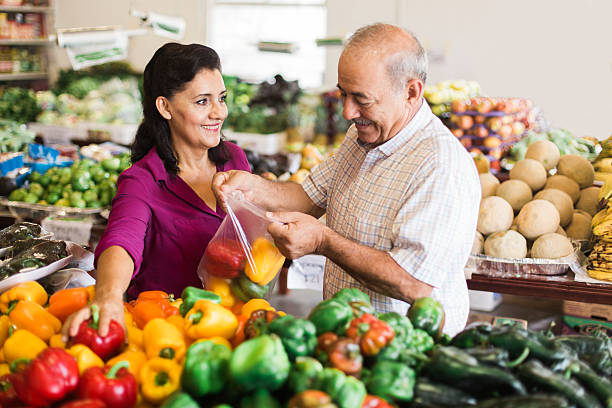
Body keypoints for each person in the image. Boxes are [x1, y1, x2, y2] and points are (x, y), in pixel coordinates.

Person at [213, 23, 480, 336]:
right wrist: (254, 186)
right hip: (348, 340)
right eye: (343, 94)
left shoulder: (440, 166)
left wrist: (324, 241)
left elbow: (414, 283)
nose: (348, 112)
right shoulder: (362, 136)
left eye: (361, 99)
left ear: (411, 92)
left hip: (404, 355)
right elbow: (308, 197)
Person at [63, 43, 250, 338]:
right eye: (203, 101)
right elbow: (122, 240)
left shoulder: (235, 160)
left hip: (234, 324)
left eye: (221, 98)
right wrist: (109, 295)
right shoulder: (143, 180)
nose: (219, 112)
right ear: (165, 107)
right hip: (168, 334)